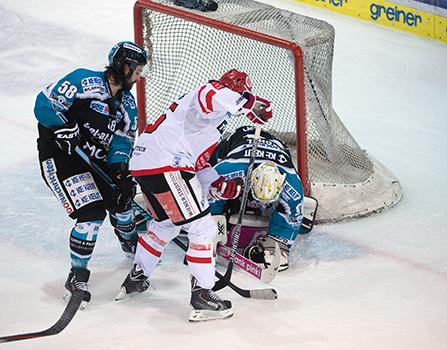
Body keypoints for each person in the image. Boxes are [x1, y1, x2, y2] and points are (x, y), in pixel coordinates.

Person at [116, 69, 272, 322]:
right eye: (241, 95)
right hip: (166, 164)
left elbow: (198, 164)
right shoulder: (209, 94)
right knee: (202, 229)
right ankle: (203, 295)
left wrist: (218, 184)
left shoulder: (207, 127)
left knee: (165, 224)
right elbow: (211, 95)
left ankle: (136, 278)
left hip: (149, 165)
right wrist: (249, 104)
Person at [34, 41, 148, 306]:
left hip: (97, 160)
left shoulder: (127, 103)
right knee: (91, 215)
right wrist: (63, 126)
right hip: (63, 158)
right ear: (125, 66)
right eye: (137, 69)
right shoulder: (83, 81)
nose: (139, 76)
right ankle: (77, 275)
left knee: (123, 204)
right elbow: (44, 104)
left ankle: (130, 242)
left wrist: (120, 170)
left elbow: (122, 141)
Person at [209, 126, 306, 272]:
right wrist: (210, 225)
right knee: (213, 180)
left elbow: (292, 217)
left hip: (276, 145)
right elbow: (208, 192)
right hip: (237, 141)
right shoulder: (228, 169)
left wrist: (278, 243)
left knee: (285, 210)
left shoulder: (292, 184)